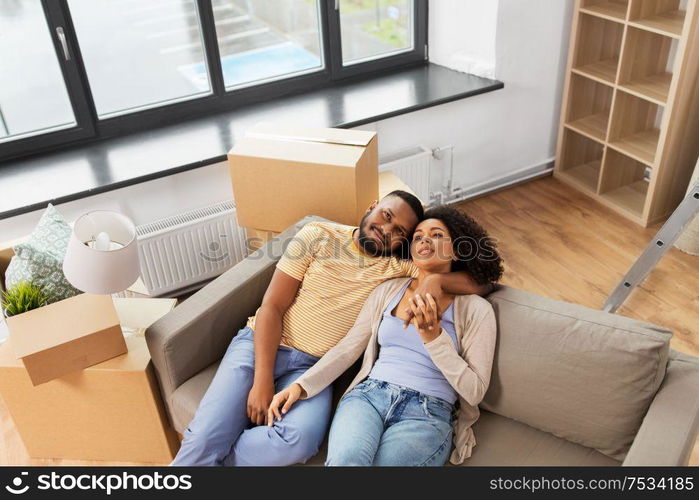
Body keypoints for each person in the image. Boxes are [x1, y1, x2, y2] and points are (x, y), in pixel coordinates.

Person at [171, 192, 492, 466]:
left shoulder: (402, 268)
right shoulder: (318, 235)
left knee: (298, 439)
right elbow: (272, 307)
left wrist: (436, 279)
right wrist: (262, 380)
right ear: (372, 206)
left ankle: (217, 461)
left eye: (399, 231)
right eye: (385, 216)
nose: (385, 230)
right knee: (203, 438)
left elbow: (481, 281)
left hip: (316, 367)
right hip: (261, 346)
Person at [268, 206, 503, 466]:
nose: (424, 240)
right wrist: (301, 385)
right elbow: (348, 348)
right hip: (368, 397)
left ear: (457, 249)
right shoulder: (388, 290)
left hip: (428, 411)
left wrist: (434, 338)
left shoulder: (476, 310)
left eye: (436, 235)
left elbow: (475, 391)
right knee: (347, 461)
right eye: (418, 236)